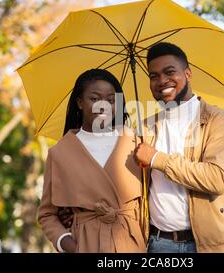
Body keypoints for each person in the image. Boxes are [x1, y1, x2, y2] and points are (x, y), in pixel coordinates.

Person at [133, 42, 224, 253]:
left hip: (209, 246)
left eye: (169, 72)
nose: (162, 80)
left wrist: (157, 159)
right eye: (153, 76)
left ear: (188, 73)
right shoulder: (145, 127)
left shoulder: (219, 121)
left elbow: (216, 178)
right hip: (158, 244)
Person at [38, 69, 146, 253]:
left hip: (131, 243)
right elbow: (47, 214)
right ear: (79, 102)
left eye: (111, 100)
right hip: (87, 244)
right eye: (95, 99)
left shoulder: (137, 144)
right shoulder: (60, 153)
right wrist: (70, 245)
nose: (103, 106)